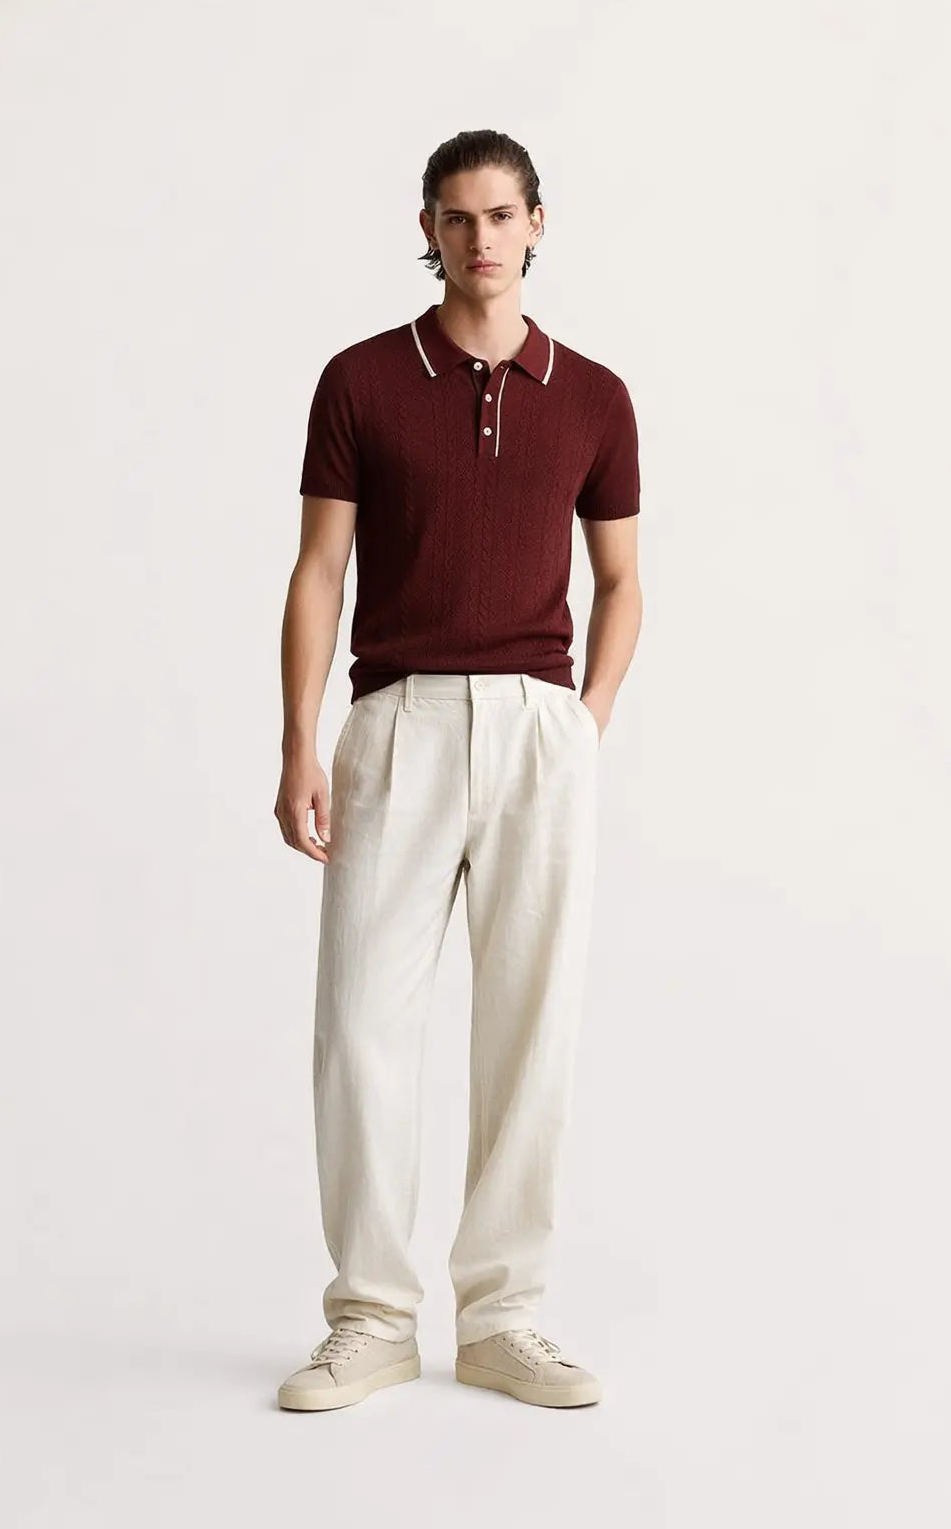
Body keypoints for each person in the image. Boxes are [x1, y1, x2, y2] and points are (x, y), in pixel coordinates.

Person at [274, 129, 642, 1412]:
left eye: (499, 214)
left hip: (539, 727)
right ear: (426, 231)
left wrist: (584, 722)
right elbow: (320, 568)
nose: (479, 238)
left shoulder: (594, 397)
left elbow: (620, 582)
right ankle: (372, 1318)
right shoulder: (362, 381)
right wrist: (298, 739)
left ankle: (503, 1318)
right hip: (398, 722)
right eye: (455, 217)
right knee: (360, 1030)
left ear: (537, 222)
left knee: (530, 1029)